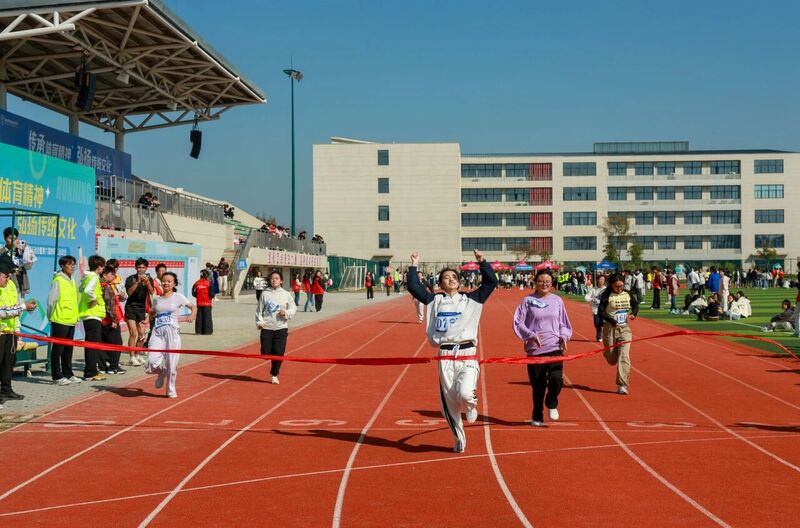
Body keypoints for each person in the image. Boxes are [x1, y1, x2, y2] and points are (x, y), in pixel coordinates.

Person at [406, 249, 497, 453]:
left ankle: (471, 404)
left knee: (465, 392)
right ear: (440, 284)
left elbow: (491, 282)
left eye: (454, 277)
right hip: (446, 356)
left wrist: (482, 262)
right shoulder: (435, 301)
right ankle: (459, 439)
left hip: (467, 354)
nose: (451, 279)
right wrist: (414, 265)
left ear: (459, 281)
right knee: (449, 404)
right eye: (446, 277)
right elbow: (413, 286)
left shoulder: (472, 299)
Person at [513, 269, 573, 427]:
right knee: (538, 385)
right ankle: (537, 415)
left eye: (547, 281)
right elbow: (518, 322)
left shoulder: (557, 300)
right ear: (535, 282)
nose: (544, 284)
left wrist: (564, 336)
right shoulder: (527, 300)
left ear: (552, 283)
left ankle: (551, 401)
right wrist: (530, 334)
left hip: (555, 346)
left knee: (556, 379)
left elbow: (564, 323)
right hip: (535, 349)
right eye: (541, 281)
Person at [145, 272, 196, 397]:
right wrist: (145, 321)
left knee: (172, 364)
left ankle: (170, 389)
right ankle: (161, 372)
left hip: (172, 333)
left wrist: (192, 315)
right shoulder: (157, 299)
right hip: (157, 332)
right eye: (164, 281)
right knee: (151, 362)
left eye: (169, 281)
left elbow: (193, 307)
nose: (166, 283)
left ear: (174, 284)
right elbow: (152, 312)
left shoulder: (178, 297)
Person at [0, 256, 36, 404]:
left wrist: (17, 330)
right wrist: (23, 307)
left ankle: (6, 390)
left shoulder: (11, 285)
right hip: (1, 332)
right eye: (6, 275)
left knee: (9, 362)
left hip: (10, 331)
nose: (9, 277)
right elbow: (2, 311)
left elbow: (15, 307)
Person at [598, 272, 639, 395]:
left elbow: (635, 304)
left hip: (624, 329)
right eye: (616, 286)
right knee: (612, 360)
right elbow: (600, 312)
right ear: (611, 285)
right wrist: (612, 321)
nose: (619, 288)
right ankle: (607, 352)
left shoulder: (627, 293)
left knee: (624, 356)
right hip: (610, 328)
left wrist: (633, 314)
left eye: (621, 286)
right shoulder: (607, 296)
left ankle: (622, 385)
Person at [256, 270, 297, 384]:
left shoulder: (286, 294)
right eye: (272, 278)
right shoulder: (265, 294)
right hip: (267, 328)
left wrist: (286, 313)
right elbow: (259, 310)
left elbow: (293, 308)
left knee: (278, 354)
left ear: (281, 281)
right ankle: (266, 352)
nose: (274, 280)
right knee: (266, 353)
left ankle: (274, 374)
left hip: (281, 328)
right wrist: (260, 322)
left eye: (276, 278)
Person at [47, 255, 82, 385]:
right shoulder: (58, 280)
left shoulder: (72, 280)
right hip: (60, 320)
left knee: (68, 349)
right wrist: (51, 317)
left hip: (71, 319)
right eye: (69, 264)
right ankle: (57, 376)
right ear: (62, 266)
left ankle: (68, 373)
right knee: (58, 349)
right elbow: (51, 301)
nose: (72, 267)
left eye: (73, 264)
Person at [78, 255, 108, 381]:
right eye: (103, 267)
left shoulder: (87, 276)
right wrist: (94, 299)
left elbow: (81, 289)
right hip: (92, 314)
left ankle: (91, 370)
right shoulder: (94, 277)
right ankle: (90, 372)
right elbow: (87, 291)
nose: (103, 269)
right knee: (92, 344)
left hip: (90, 314)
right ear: (99, 267)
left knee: (92, 343)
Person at [124, 257, 155, 366]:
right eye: (139, 267)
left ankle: (137, 354)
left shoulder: (149, 279)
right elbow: (129, 293)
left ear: (146, 268)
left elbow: (152, 292)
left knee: (141, 334)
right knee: (133, 333)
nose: (141, 269)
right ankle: (131, 357)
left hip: (141, 309)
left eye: (143, 267)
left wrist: (147, 282)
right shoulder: (130, 278)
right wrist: (138, 281)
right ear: (135, 268)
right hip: (130, 308)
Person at [98, 265, 126, 375]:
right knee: (117, 343)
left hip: (101, 318)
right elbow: (109, 305)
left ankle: (103, 366)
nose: (114, 276)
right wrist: (114, 320)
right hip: (109, 319)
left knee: (103, 343)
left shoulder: (98, 285)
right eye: (111, 274)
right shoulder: (106, 287)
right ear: (105, 275)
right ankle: (113, 367)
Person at [585, 274, 607, 341]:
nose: (601, 281)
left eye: (603, 279)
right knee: (597, 323)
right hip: (596, 309)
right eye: (600, 279)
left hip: (604, 309)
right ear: (597, 280)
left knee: (604, 323)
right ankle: (599, 335)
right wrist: (592, 299)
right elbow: (586, 297)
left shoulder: (606, 289)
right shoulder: (593, 289)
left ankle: (604, 335)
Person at [192, 269, 214, 335]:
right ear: (207, 275)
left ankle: (198, 331)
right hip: (207, 303)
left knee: (199, 318)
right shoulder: (209, 283)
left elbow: (193, 293)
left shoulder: (196, 283)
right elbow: (212, 294)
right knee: (207, 318)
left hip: (199, 303)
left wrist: (198, 296)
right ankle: (207, 332)